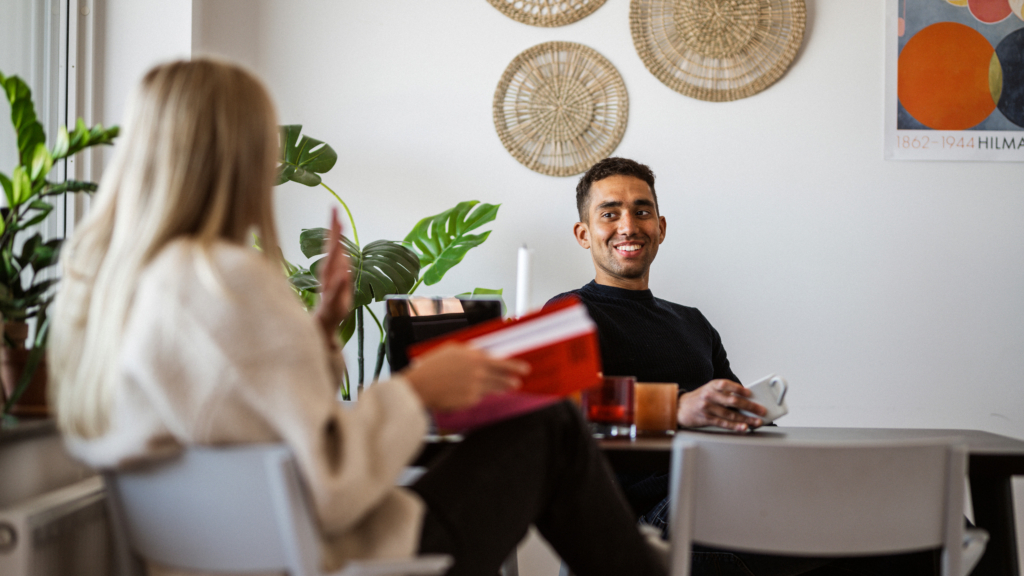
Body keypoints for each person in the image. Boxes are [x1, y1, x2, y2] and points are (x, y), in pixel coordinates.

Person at [47, 60, 667, 576]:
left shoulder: (115, 283)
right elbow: (334, 486)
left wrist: (317, 332)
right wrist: (417, 388)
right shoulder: (224, 278)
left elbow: (236, 415)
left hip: (228, 554)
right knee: (550, 425)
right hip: (332, 556)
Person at [548, 158, 937, 576]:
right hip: (651, 522)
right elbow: (565, 404)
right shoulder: (568, 313)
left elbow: (736, 419)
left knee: (928, 521)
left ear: (660, 227)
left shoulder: (692, 322)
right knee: (897, 530)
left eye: (641, 211)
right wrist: (677, 407)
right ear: (584, 234)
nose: (628, 225)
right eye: (610, 214)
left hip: (732, 489)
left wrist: (752, 416)